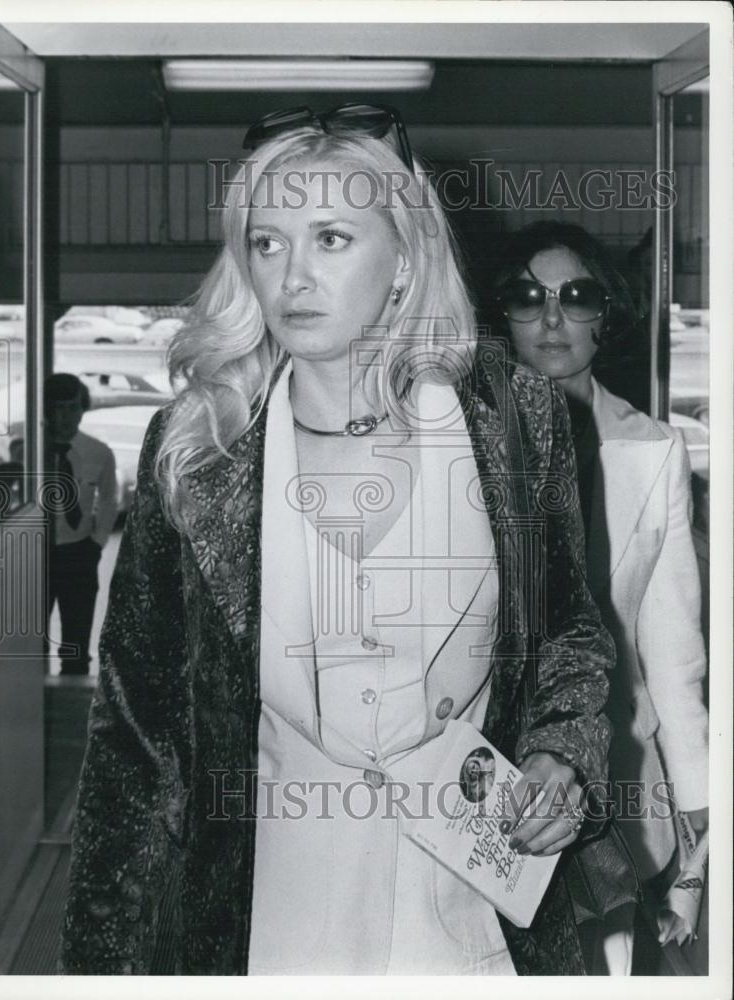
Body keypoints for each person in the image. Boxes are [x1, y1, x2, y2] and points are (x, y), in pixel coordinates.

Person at [60, 106, 615, 975]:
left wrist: (559, 749)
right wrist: (101, 969)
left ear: (402, 262)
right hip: (272, 909)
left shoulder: (513, 420)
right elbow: (137, 740)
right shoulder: (199, 448)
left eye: (330, 238)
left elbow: (568, 633)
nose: (292, 277)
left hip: (468, 909)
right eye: (268, 243)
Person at [491, 221, 709, 974]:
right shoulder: (457, 446)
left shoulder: (653, 451)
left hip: (615, 782)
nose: (552, 319)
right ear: (504, 317)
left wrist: (700, 812)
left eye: (574, 297)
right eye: (527, 297)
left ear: (603, 316)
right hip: (489, 786)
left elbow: (674, 659)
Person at [44, 373, 117, 676]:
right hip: (34, 553)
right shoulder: (28, 449)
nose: (65, 416)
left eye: (72, 407)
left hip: (78, 555)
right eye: (57, 408)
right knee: (29, 640)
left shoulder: (98, 452)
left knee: (76, 640)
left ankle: (72, 712)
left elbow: (110, 501)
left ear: (83, 408)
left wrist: (96, 544)